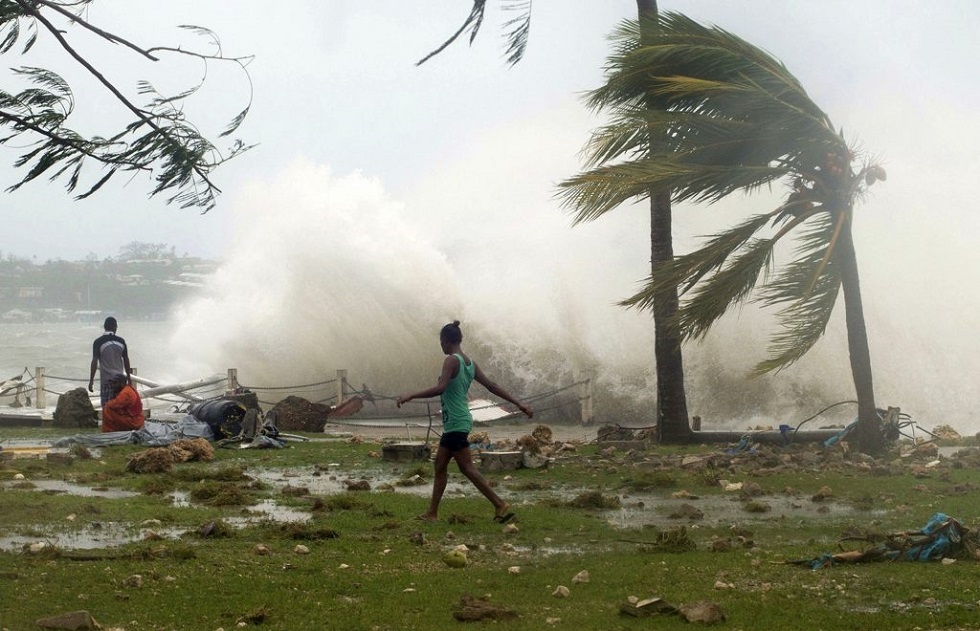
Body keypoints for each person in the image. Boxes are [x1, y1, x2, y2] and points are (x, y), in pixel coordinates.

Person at [397, 320, 533, 523]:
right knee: (440, 465)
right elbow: (492, 386)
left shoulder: (452, 360)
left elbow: (441, 387)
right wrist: (519, 404)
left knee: (466, 467)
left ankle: (499, 503)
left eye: (440, 342)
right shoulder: (470, 363)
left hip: (456, 422)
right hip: (458, 421)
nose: (440, 346)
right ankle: (432, 514)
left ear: (445, 341)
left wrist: (411, 395)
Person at [88, 316, 132, 411]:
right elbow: (126, 360)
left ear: (104, 327)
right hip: (121, 381)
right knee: (120, 408)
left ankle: (110, 425)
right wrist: (129, 379)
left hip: (107, 382)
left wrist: (91, 380)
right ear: (115, 327)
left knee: (107, 408)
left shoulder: (98, 342)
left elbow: (94, 362)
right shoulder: (121, 341)